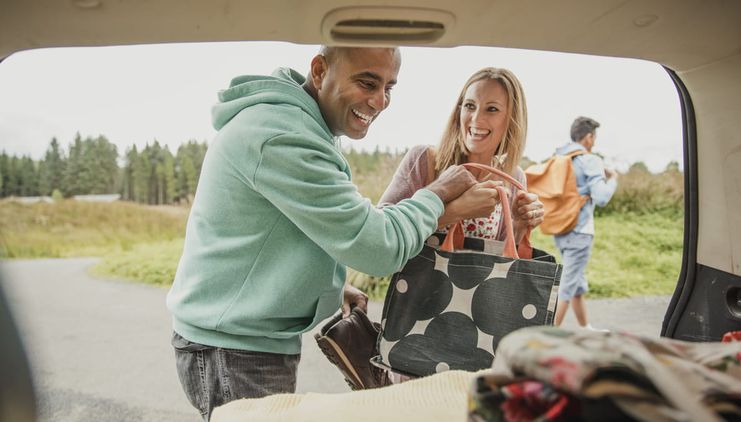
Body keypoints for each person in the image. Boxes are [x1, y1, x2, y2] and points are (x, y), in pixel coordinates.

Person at [166, 46, 500, 420]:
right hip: (233, 350)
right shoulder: (283, 135)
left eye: (389, 87)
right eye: (367, 82)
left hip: (243, 341)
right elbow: (377, 246)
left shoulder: (303, 124)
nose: (379, 101)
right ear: (320, 70)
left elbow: (287, 227)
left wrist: (328, 284)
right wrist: (438, 196)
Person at [379, 67, 544, 243]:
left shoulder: (512, 176)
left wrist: (519, 225)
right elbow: (381, 232)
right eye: (470, 106)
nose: (475, 119)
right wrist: (454, 212)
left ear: (512, 119)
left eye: (492, 109)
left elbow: (504, 258)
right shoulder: (424, 159)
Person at [552, 116, 618, 329]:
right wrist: (613, 178)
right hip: (580, 231)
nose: (595, 141)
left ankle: (585, 329)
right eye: (594, 137)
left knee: (576, 283)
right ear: (589, 137)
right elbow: (602, 197)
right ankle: (547, 335)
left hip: (560, 228)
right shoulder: (590, 160)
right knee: (568, 286)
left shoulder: (560, 157)